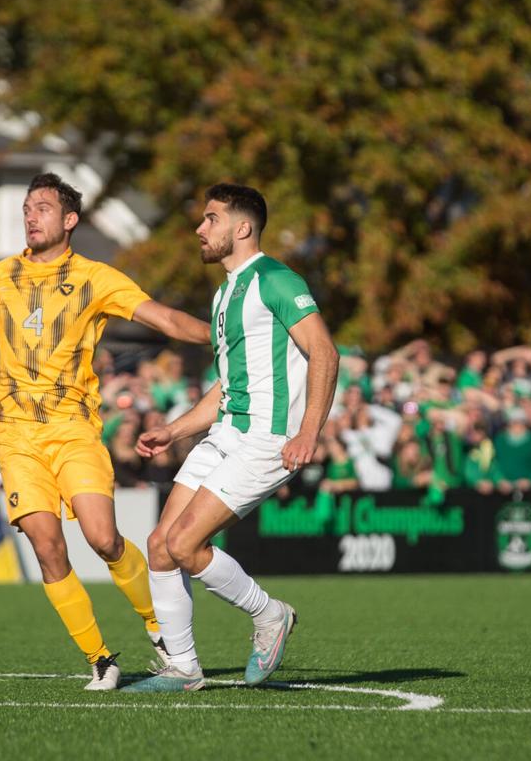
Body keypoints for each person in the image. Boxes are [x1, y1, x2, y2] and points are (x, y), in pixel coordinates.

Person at [0, 172, 211, 691]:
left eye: (42, 207)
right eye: (27, 207)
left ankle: (158, 624)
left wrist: (225, 333)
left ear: (70, 220)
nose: (30, 215)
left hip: (73, 428)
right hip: (15, 433)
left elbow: (167, 320)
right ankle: (100, 659)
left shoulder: (96, 277)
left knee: (103, 538)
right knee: (47, 546)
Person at [125, 183, 338, 693]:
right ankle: (183, 669)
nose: (200, 229)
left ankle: (270, 615)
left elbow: (325, 354)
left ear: (242, 228)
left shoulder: (277, 280)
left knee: (183, 543)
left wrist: (308, 432)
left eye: (211, 219)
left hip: (267, 438)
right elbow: (227, 387)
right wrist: (173, 429)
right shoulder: (223, 295)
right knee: (159, 547)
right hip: (226, 432)